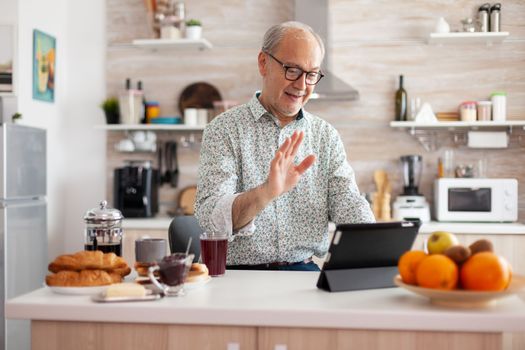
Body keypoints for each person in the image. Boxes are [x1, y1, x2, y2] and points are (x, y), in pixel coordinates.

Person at [195, 21, 375, 271]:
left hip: (303, 271)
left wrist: (379, 242)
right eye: (292, 70)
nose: (302, 85)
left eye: (312, 74)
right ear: (263, 63)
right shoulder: (224, 129)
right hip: (238, 276)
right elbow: (211, 220)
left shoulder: (325, 135)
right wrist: (267, 191)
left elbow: (348, 202)